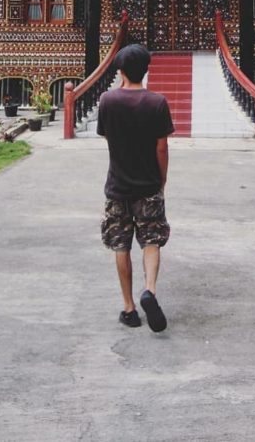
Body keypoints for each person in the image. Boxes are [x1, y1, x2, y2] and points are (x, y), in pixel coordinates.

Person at [97, 43, 174, 332]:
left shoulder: (107, 100)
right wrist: (161, 180)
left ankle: (129, 308)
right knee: (150, 241)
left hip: (117, 185)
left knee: (121, 245)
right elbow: (162, 147)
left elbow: (108, 139)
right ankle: (150, 291)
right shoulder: (157, 102)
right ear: (146, 70)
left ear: (120, 71)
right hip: (149, 185)